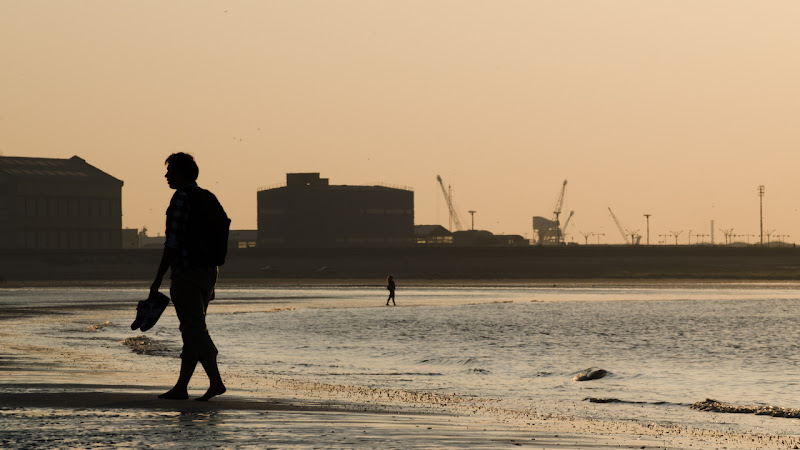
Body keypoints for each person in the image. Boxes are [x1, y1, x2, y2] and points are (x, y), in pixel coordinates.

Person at [150, 152, 226, 401]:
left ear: (182, 173)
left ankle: (215, 382)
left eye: (170, 171)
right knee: (192, 330)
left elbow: (172, 242)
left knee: (194, 329)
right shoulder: (207, 196)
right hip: (209, 272)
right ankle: (181, 387)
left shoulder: (181, 198)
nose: (166, 176)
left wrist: (158, 277)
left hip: (187, 272)